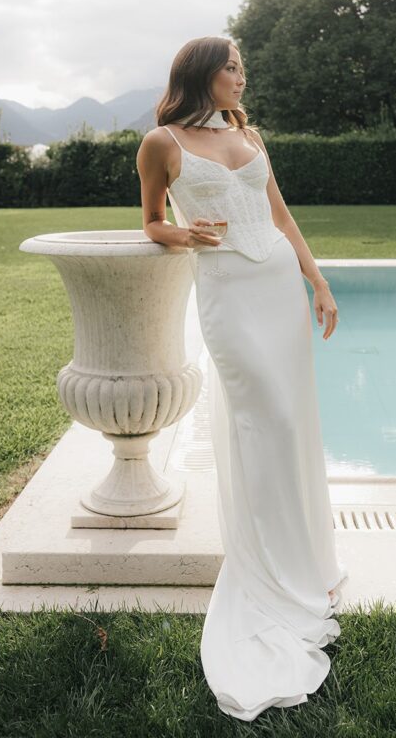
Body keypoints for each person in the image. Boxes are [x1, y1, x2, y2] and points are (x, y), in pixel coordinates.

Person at [136, 35, 349, 721]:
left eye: (241, 67)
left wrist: (317, 281)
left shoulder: (248, 134)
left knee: (293, 424)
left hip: (278, 290)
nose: (240, 76)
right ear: (202, 74)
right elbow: (151, 221)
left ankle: (304, 566)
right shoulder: (162, 142)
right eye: (231, 67)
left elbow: (280, 216)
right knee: (266, 424)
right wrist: (185, 235)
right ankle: (267, 576)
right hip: (228, 295)